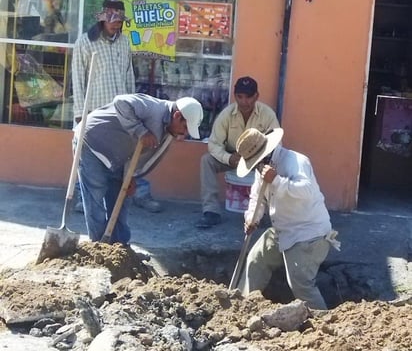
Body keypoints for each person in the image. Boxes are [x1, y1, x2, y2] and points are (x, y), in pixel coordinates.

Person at [72, 0, 161, 213]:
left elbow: (128, 75)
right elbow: (77, 79)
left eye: (119, 20)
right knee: (88, 157)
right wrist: (79, 114)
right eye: (112, 18)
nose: (116, 23)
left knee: (125, 157)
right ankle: (84, 198)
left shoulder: (124, 42)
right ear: (103, 18)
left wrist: (133, 108)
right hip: (95, 111)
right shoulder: (85, 42)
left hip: (121, 113)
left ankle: (136, 194)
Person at [235, 127, 341, 310]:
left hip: (309, 233)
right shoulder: (261, 168)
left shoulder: (296, 161)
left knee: (300, 283)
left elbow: (306, 190)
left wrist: (276, 180)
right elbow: (257, 197)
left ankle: (323, 321)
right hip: (282, 230)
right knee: (255, 259)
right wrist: (252, 218)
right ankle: (243, 307)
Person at [76, 93, 203, 245]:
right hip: (91, 140)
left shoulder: (169, 133)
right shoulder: (153, 108)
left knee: (121, 197)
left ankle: (119, 246)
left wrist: (131, 177)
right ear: (177, 115)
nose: (185, 133)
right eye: (185, 127)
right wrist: (140, 131)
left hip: (116, 155)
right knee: (95, 193)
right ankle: (99, 246)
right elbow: (121, 102)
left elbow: (142, 157)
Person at [196, 76, 280, 228]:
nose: (244, 101)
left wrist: (261, 159)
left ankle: (264, 214)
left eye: (249, 97)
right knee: (206, 160)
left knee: (276, 165)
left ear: (256, 96)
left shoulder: (267, 114)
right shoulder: (226, 115)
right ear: (235, 96)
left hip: (258, 159)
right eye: (240, 97)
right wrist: (229, 158)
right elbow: (214, 144)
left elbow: (277, 143)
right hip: (233, 156)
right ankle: (211, 212)